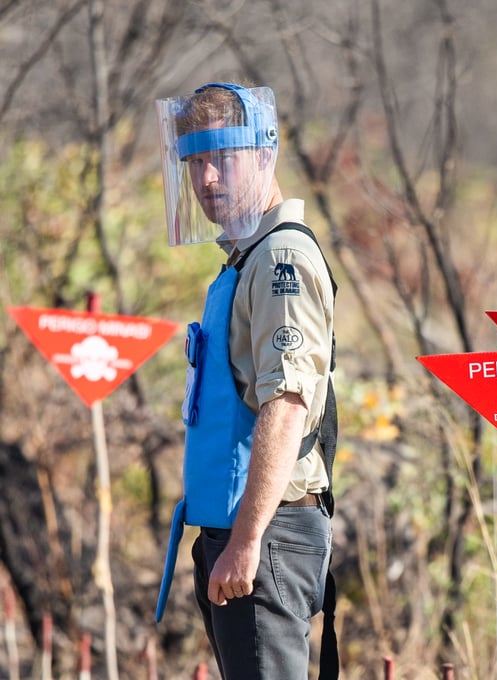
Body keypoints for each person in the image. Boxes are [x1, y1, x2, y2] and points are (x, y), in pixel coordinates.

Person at [153, 82, 339, 679]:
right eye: (196, 162)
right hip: (243, 533)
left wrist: (247, 541)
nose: (207, 181)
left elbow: (286, 404)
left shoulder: (281, 258)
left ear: (264, 155)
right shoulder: (247, 258)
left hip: (268, 534)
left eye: (222, 159)